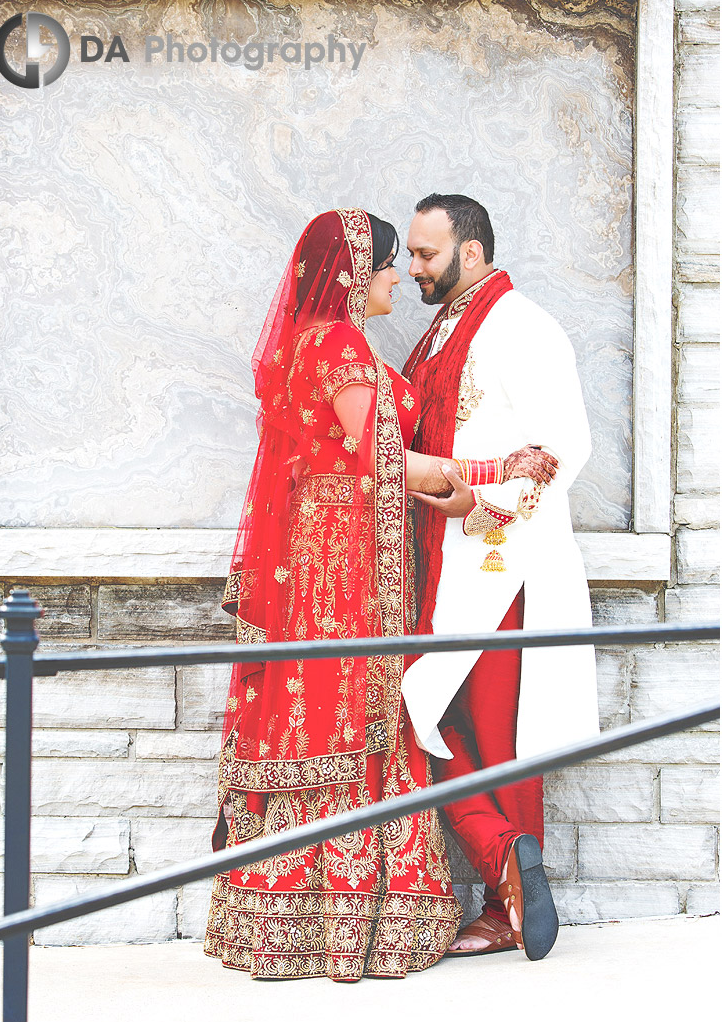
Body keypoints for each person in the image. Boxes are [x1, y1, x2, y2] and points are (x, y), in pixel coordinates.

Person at [203, 207, 555, 982]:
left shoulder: (318, 343)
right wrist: (499, 474)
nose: (401, 274)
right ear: (358, 272)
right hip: (342, 562)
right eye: (393, 262)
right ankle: (374, 909)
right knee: (362, 706)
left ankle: (308, 912)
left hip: (330, 551)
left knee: (351, 707)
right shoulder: (334, 344)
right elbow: (380, 456)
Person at [400, 193, 600, 961]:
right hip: (446, 558)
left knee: (491, 729)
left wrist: (480, 500)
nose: (414, 266)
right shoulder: (446, 324)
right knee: (440, 718)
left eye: (426, 254)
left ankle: (503, 888)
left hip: (498, 562)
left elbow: (563, 446)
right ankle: (508, 864)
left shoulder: (521, 325)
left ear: (471, 252)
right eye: (411, 254)